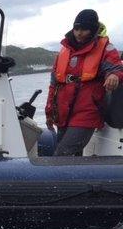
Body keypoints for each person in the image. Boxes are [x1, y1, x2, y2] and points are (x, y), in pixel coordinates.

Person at [45, 9, 123, 156]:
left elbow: (116, 67)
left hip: (87, 111)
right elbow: (53, 84)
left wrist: (114, 75)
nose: (79, 33)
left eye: (84, 29)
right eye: (77, 28)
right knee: (69, 154)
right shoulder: (63, 51)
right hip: (62, 112)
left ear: (93, 30)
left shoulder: (105, 48)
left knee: (62, 153)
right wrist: (49, 111)